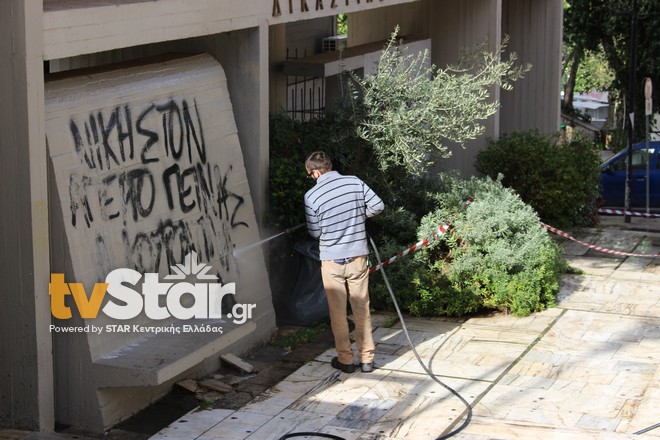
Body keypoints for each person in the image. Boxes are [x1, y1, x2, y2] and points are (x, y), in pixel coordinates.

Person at [303, 151, 384, 373]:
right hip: (357, 257)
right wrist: (359, 215)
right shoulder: (355, 182)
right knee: (361, 308)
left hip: (331, 261)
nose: (313, 179)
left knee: (337, 313)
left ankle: (346, 361)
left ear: (316, 171)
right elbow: (378, 206)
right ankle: (367, 359)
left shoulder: (311, 196)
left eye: (311, 175)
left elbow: (314, 232)